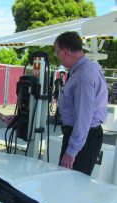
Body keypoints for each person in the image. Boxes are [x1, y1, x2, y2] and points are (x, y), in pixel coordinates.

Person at [54, 31, 108, 175]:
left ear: (65, 52)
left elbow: (84, 117)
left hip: (83, 139)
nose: (58, 58)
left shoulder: (83, 76)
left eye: (57, 53)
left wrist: (71, 151)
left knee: (71, 185)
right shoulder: (90, 66)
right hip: (85, 136)